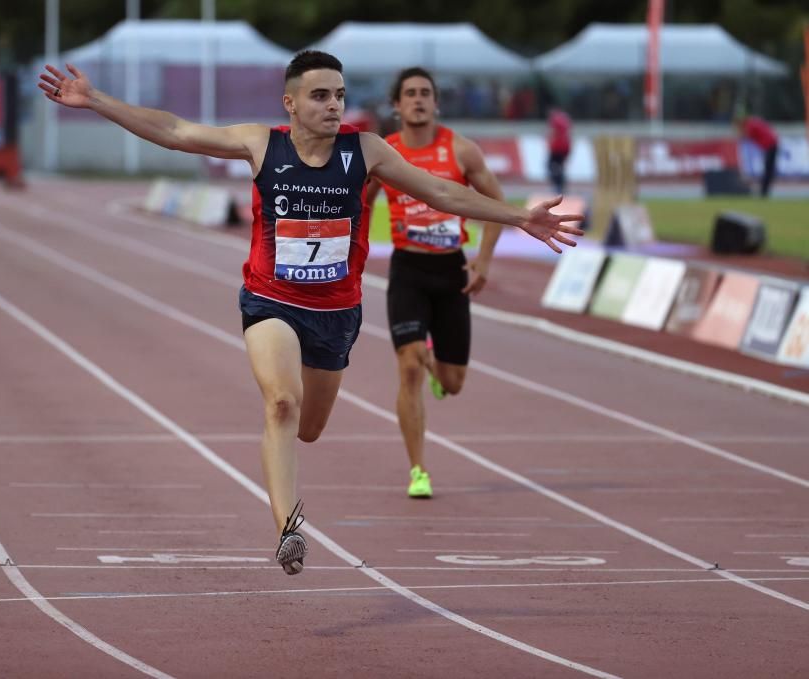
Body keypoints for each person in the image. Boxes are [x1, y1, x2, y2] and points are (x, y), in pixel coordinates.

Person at [38, 51, 583, 575]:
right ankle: (288, 529)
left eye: (340, 96)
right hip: (270, 300)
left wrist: (518, 217)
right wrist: (96, 101)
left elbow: (442, 192)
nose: (334, 106)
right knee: (281, 402)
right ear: (291, 104)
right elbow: (177, 132)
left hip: (336, 313)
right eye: (320, 96)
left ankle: (293, 473)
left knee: (311, 429)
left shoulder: (365, 151)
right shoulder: (260, 144)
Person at [364, 67, 504, 499]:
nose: (419, 100)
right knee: (407, 368)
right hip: (407, 271)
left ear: (436, 102)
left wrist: (482, 260)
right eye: (410, 93)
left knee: (454, 382)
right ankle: (418, 470)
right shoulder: (384, 153)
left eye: (426, 93)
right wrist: (353, 253)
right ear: (397, 104)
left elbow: (496, 204)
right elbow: (359, 203)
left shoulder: (461, 152)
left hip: (450, 272)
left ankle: (436, 365)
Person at [736, 114, 778, 197]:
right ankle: (764, 191)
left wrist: (739, 135)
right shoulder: (754, 121)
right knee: (768, 170)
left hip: (770, 146)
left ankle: (764, 191)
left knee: (767, 170)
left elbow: (746, 136)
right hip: (771, 144)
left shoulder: (750, 125)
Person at [547, 108, 571, 195]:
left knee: (552, 166)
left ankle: (558, 185)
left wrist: (550, 142)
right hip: (566, 146)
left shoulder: (554, 119)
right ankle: (561, 185)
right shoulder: (565, 118)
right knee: (559, 166)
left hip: (557, 146)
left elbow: (553, 132)